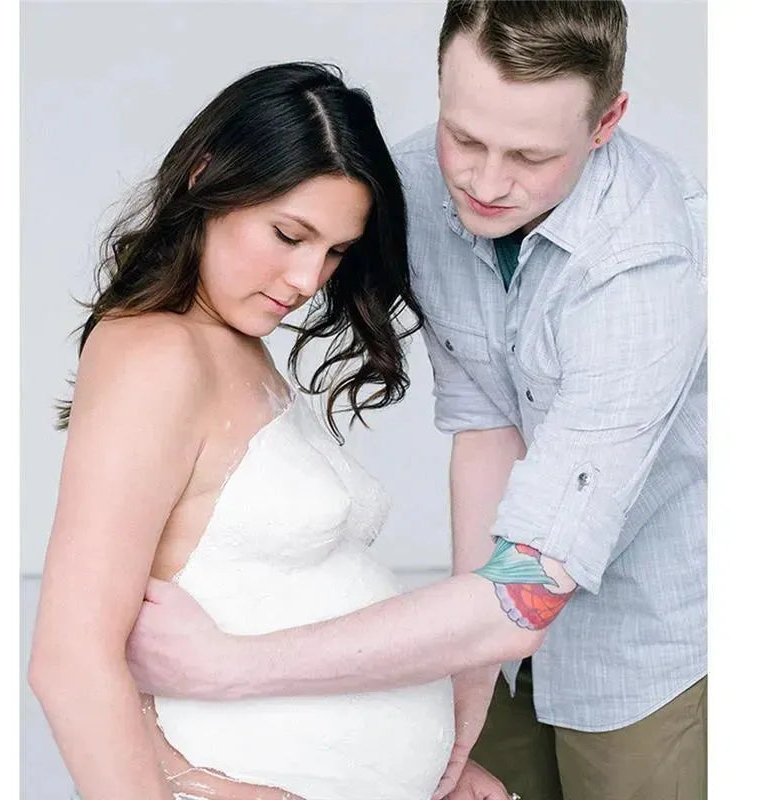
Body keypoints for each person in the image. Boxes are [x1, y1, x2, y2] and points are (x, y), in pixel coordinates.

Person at [125, 3, 707, 800]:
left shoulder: (646, 273)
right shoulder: (420, 188)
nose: (485, 183)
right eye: (464, 138)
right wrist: (470, 676)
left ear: (606, 123)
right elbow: (487, 426)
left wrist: (229, 668)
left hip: (649, 636)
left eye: (530, 156)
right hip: (494, 619)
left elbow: (524, 594)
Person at [28, 61, 514, 800]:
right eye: (289, 235)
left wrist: (427, 766)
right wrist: (183, 778)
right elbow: (71, 660)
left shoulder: (234, 342)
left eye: (336, 251)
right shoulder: (155, 355)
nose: (307, 280)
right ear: (206, 176)